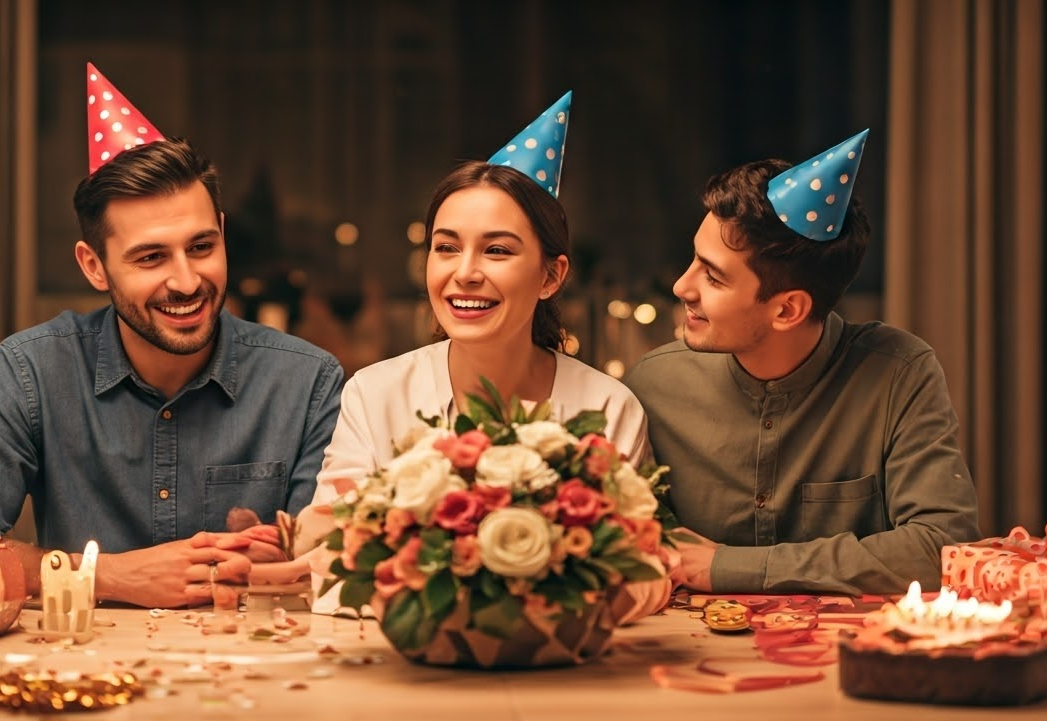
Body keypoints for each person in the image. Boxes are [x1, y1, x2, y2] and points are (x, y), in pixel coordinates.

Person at [0, 64, 344, 608]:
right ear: (94, 267)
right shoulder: (33, 370)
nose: (186, 281)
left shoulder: (307, 381)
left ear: (224, 235)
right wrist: (106, 575)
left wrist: (279, 564)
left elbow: (327, 566)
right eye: (150, 257)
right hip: (76, 676)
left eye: (202, 247)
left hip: (254, 671)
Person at [291, 94, 667, 619]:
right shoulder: (375, 393)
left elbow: (640, 573)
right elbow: (324, 551)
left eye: (497, 250)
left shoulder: (608, 407)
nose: (464, 272)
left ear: (551, 276)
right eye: (446, 247)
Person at [625, 130, 981, 596]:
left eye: (713, 277)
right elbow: (631, 543)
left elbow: (942, 548)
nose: (682, 287)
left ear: (787, 310)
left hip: (847, 657)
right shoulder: (654, 384)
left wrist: (729, 566)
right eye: (694, 259)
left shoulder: (898, 372)